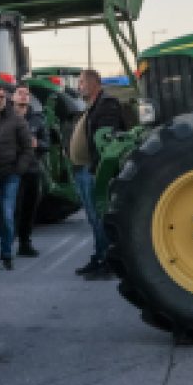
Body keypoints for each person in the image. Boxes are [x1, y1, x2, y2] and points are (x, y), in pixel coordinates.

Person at [73, 70, 123, 280]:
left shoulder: (107, 104)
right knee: (93, 219)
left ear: (95, 83)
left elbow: (105, 139)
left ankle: (107, 261)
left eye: (82, 81)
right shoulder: (92, 106)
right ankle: (99, 255)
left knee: (99, 216)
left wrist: (97, 167)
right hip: (83, 168)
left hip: (94, 170)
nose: (79, 86)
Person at [0, 85, 32, 270]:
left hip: (10, 175)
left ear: (6, 99)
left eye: (0, 97)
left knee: (7, 214)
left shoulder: (17, 121)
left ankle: (7, 254)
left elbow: (27, 148)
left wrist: (18, 170)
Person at [11, 87, 47, 259]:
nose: (24, 96)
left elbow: (47, 144)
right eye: (20, 93)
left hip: (32, 170)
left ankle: (25, 243)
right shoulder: (5, 118)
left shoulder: (37, 120)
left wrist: (37, 144)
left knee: (28, 208)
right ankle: (6, 244)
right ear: (13, 97)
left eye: (27, 94)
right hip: (11, 170)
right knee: (10, 207)